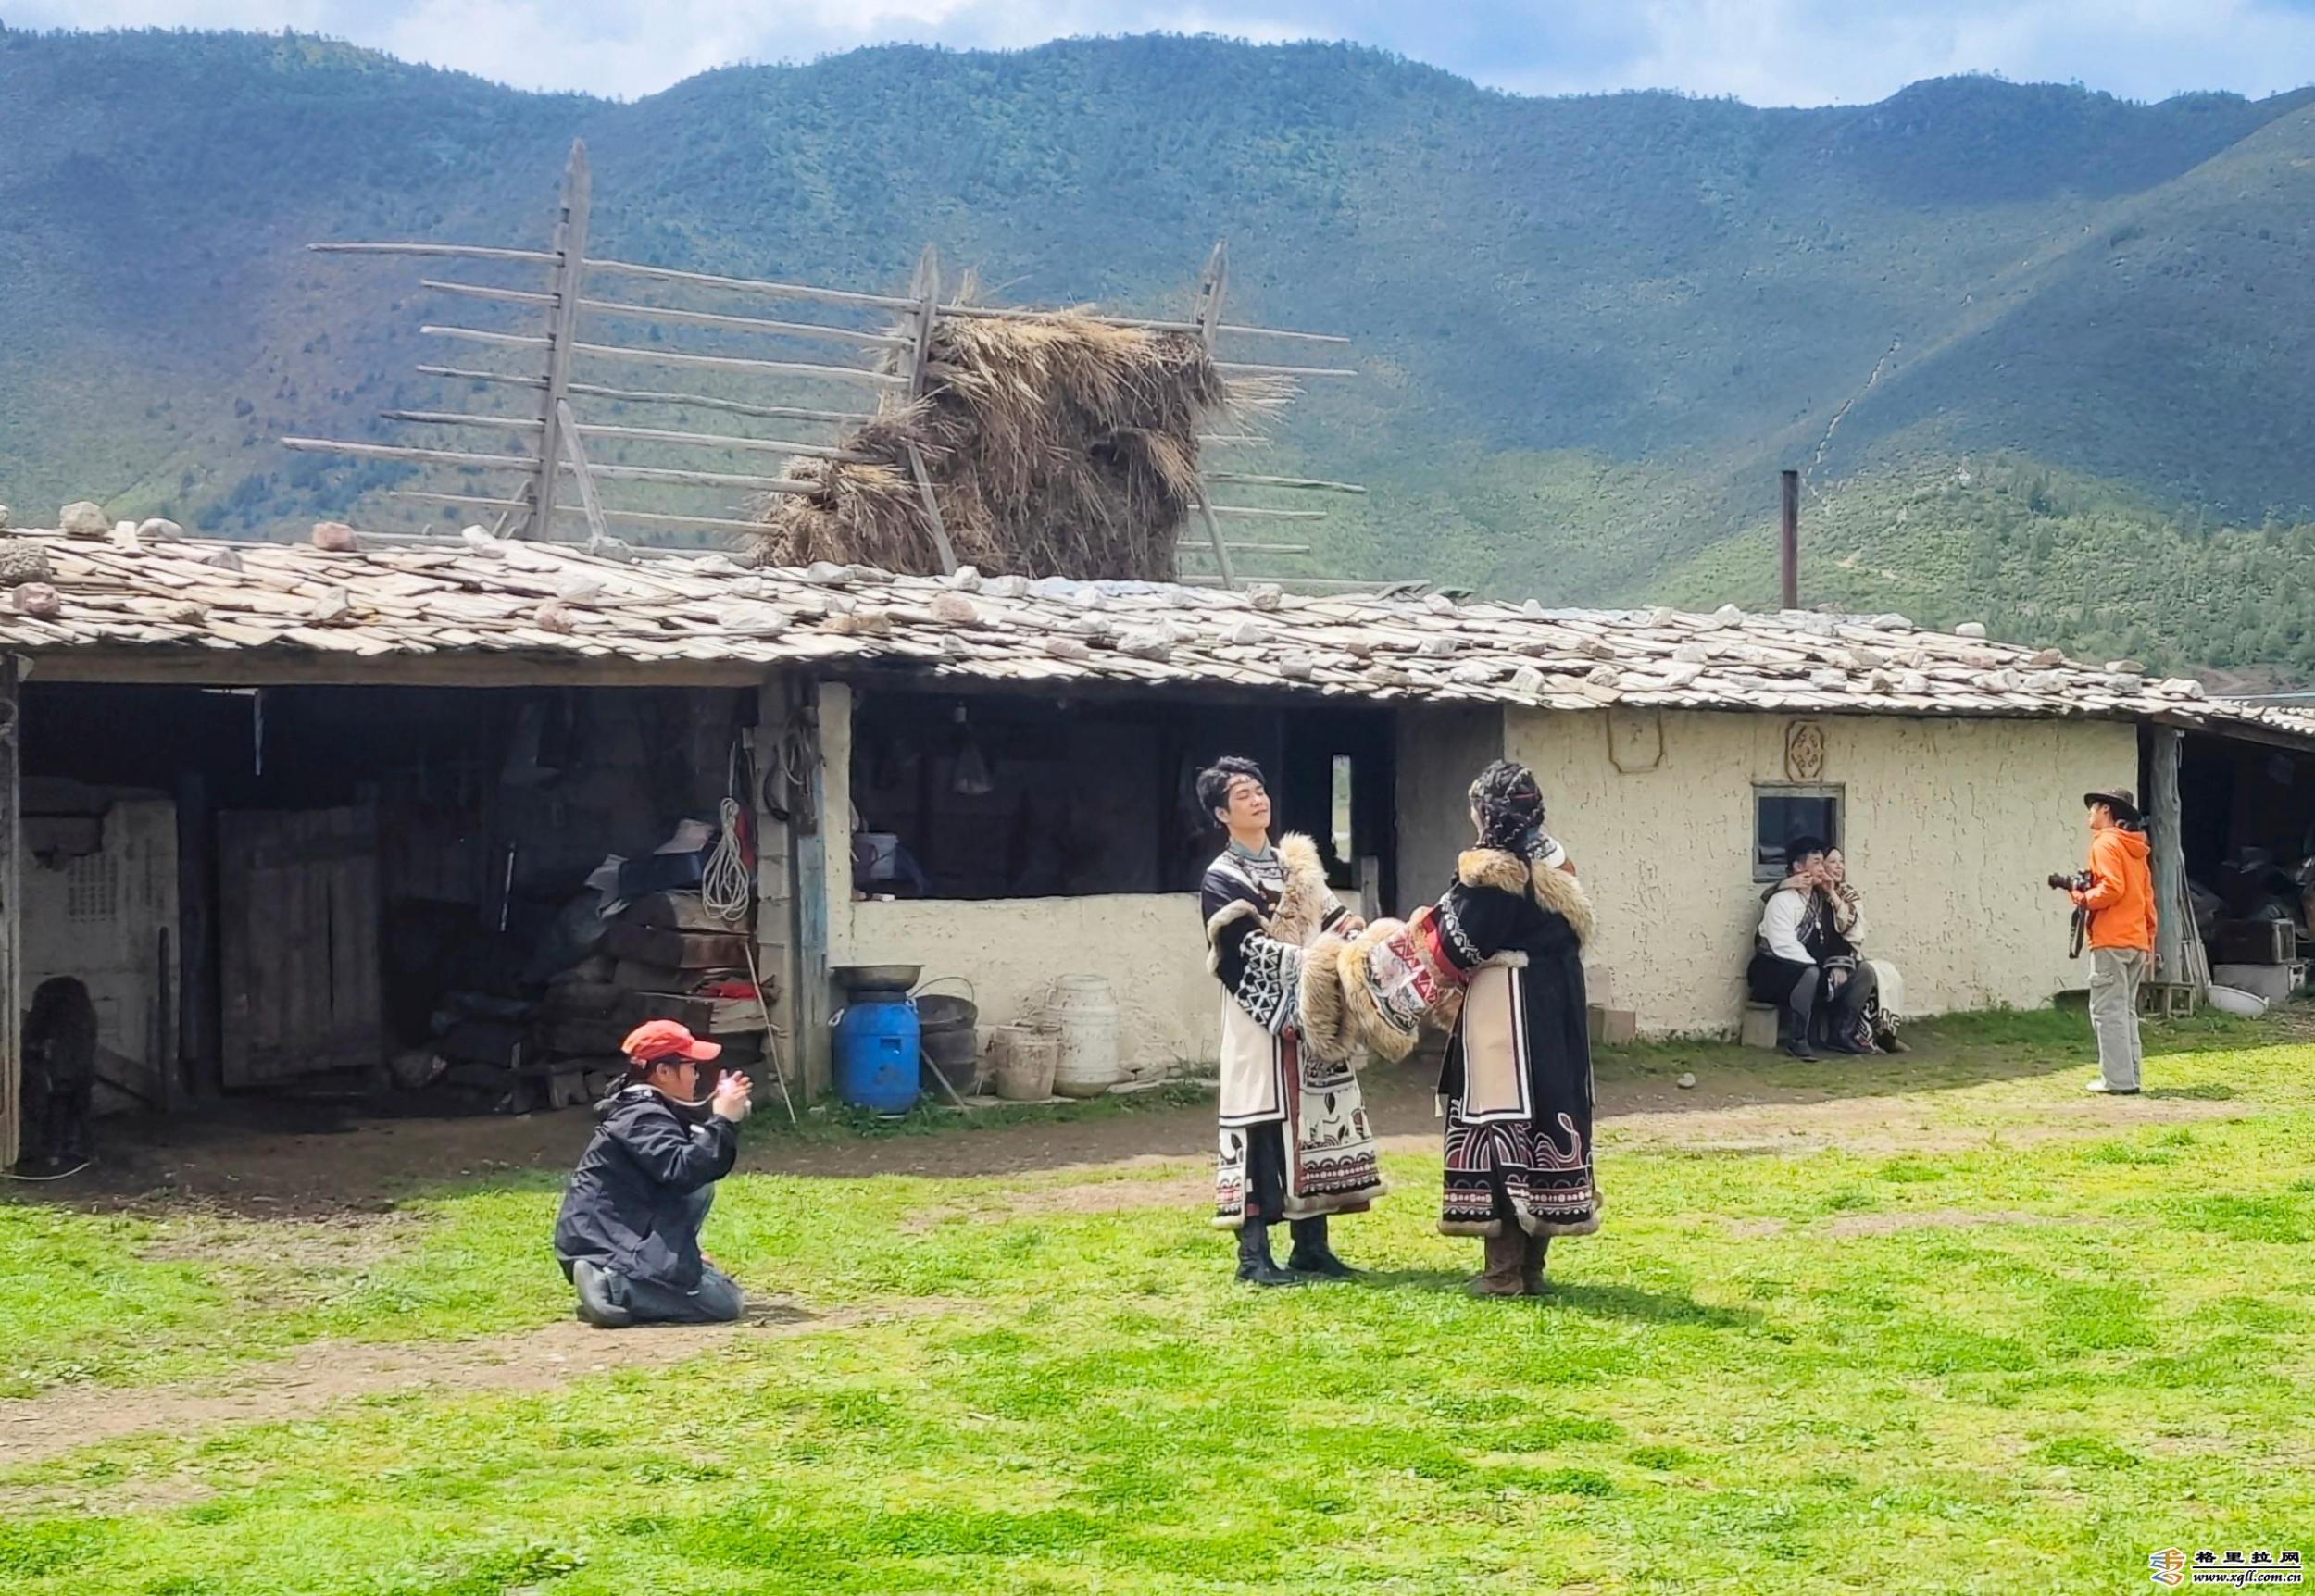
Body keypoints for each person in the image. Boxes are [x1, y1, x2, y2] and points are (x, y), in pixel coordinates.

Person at [1198, 754, 1385, 1286]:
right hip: (1260, 1017)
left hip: (1315, 1014)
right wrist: (1318, 965)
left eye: (1259, 789)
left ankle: (1312, 1246)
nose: (1257, 799)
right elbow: (1240, 951)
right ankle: (1253, 1256)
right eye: (1242, 795)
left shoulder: (1296, 866)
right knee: (1259, 1124)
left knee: (1318, 1124)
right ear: (1221, 814)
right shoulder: (1222, 877)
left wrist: (1367, 941)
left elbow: (1335, 918)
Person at [1426, 760, 1598, 1296]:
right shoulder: (1557, 864)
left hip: (1508, 1013)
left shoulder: (1493, 875)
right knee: (1549, 1116)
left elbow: (1455, 947)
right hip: (1557, 1011)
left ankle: (1503, 1273)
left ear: (1486, 813)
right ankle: (1533, 1268)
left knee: (1501, 1124)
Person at [553, 1019, 753, 1327]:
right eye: (690, 1066)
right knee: (727, 1302)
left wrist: (724, 1118)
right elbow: (684, 1170)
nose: (696, 1074)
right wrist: (723, 1120)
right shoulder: (641, 1116)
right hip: (603, 1244)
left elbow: (686, 1171)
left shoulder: (642, 1108)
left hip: (610, 1236)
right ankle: (613, 1287)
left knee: (712, 1278)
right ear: (663, 1072)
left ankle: (628, 1278)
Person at [1748, 837, 1873, 1059]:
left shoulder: (1819, 898)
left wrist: (1837, 966)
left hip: (1811, 970)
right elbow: (1784, 946)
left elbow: (1838, 936)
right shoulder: (1782, 900)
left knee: (1863, 972)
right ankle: (1798, 1040)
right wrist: (1820, 972)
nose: (1821, 867)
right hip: (1774, 971)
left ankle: (1841, 1034)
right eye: (1816, 862)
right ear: (1798, 867)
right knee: (1810, 973)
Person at [2074, 786, 2157, 1095]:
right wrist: (2148, 939)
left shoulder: (2106, 843)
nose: (2090, 814)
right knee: (2126, 1011)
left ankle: (2117, 1081)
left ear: (2106, 810)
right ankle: (2131, 1076)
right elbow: (2147, 898)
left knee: (2107, 1011)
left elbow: (2111, 889)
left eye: (2092, 807)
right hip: (2135, 939)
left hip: (2111, 938)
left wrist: (2082, 897)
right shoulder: (2136, 848)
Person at [1818, 848, 1907, 1054]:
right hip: (1827, 961)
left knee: (1887, 973)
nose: (1839, 866)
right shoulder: (1813, 895)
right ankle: (1845, 1032)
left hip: (1848, 956)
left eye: (1841, 861)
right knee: (1867, 972)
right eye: (1833, 862)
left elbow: (1854, 932)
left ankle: (1885, 1034)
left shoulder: (1847, 893)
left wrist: (1833, 893)